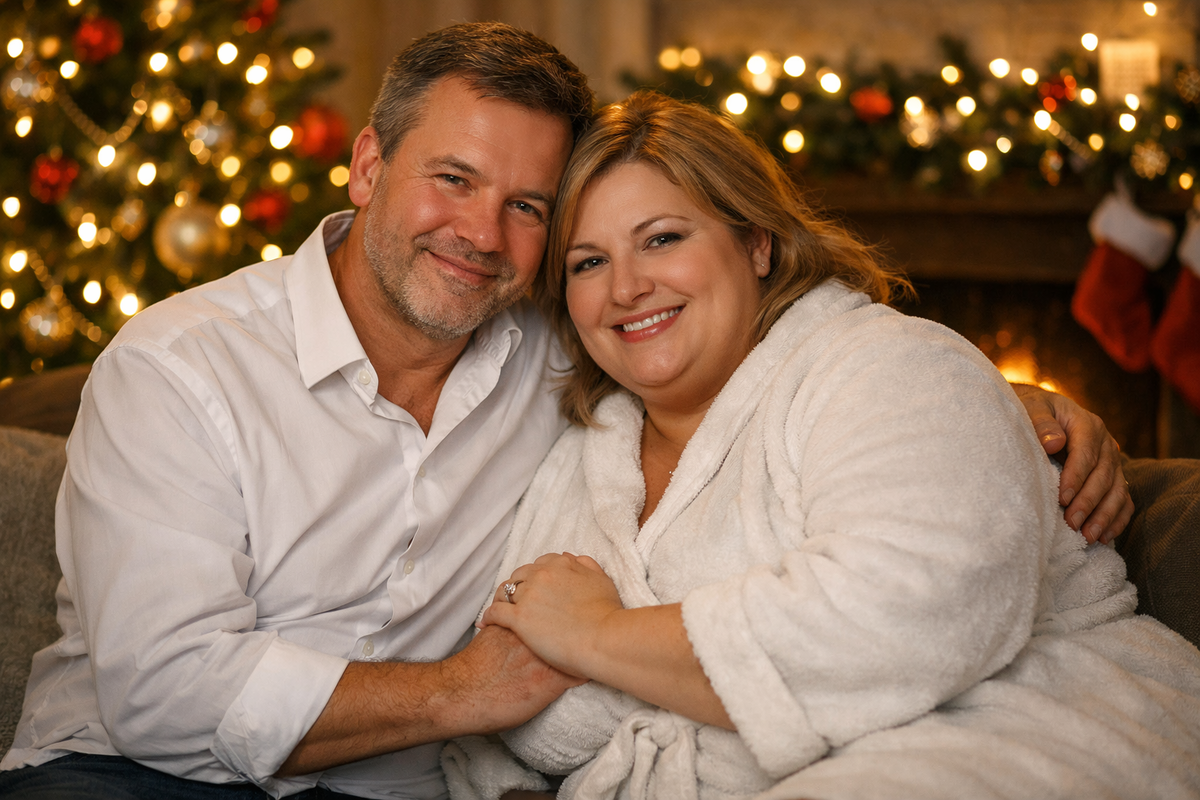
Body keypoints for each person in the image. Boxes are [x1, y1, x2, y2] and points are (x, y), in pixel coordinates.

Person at [0, 22, 1129, 800]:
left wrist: (1007, 404)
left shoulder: (559, 354)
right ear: (368, 165)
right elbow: (162, 693)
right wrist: (460, 691)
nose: (481, 234)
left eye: (528, 207)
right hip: (129, 776)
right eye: (452, 179)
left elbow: (764, 362)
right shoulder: (180, 367)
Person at [446, 91, 1200, 799]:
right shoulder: (577, 455)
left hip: (1011, 730)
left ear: (757, 243)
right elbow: (516, 696)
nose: (626, 288)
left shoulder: (891, 368)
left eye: (663, 239)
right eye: (589, 262)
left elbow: (905, 622)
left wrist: (599, 635)